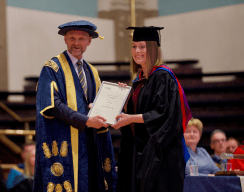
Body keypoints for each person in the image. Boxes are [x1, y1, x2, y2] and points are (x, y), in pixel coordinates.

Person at [34, 20, 117, 192]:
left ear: (89, 41)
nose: (76, 43)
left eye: (81, 38)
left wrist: (116, 97)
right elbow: (53, 106)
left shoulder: (92, 71)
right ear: (65, 39)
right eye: (72, 38)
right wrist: (86, 121)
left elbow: (99, 106)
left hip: (90, 144)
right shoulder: (52, 68)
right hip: (64, 143)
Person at [113, 26, 192, 192]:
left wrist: (131, 118)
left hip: (161, 156)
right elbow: (136, 114)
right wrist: (124, 100)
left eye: (142, 46)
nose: (137, 51)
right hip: (141, 152)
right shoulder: (140, 80)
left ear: (153, 49)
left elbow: (163, 115)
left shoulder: (163, 76)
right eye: (134, 46)